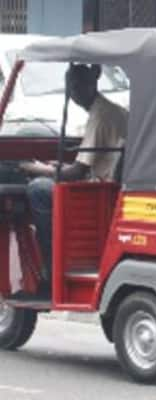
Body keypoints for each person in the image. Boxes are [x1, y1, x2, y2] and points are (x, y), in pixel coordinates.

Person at [19, 63, 128, 284]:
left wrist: (36, 169)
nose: (75, 94)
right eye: (72, 88)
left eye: (78, 87)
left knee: (38, 189)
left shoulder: (100, 115)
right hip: (109, 184)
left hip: (97, 191)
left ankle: (52, 264)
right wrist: (52, 167)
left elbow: (77, 171)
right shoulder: (112, 110)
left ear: (92, 84)